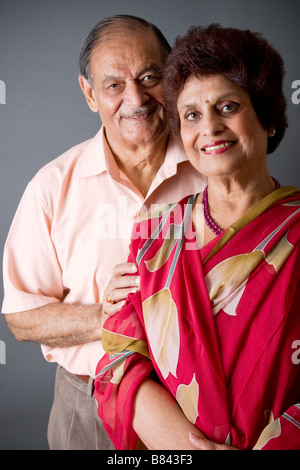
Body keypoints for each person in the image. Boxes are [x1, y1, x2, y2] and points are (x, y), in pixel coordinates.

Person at [1, 15, 206, 450]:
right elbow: (21, 316)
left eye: (150, 77)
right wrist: (103, 315)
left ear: (171, 78)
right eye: (114, 85)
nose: (135, 97)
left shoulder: (215, 168)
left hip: (200, 404)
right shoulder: (51, 187)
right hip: (88, 407)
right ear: (89, 93)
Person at [94, 24, 300, 450]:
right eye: (191, 115)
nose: (209, 127)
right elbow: (120, 361)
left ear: (268, 119)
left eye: (227, 107)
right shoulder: (155, 232)